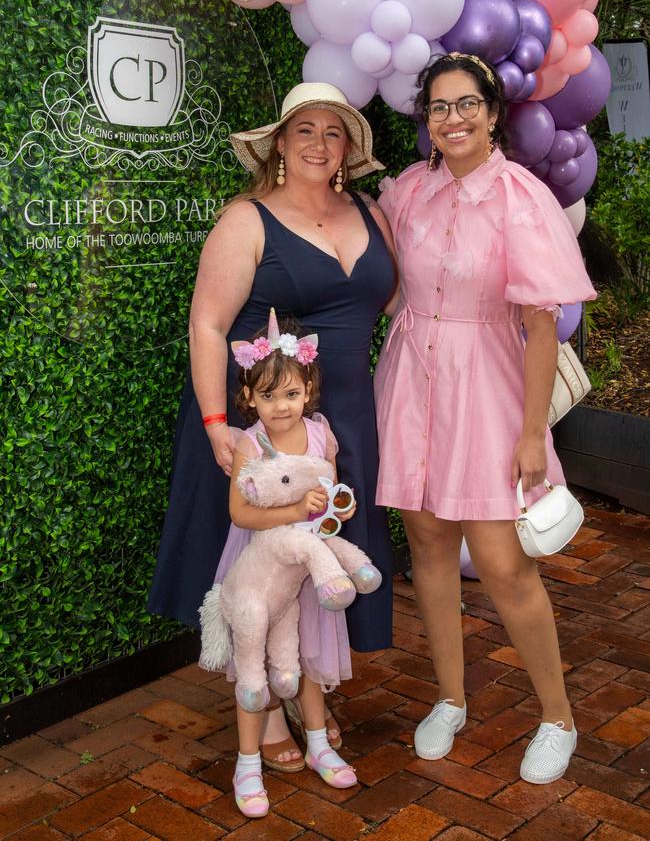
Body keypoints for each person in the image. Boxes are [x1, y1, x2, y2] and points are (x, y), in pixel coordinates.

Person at [148, 82, 397, 770]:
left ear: (349, 147)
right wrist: (216, 424)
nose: (320, 143)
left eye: (334, 132)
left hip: (345, 419)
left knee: (322, 554)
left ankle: (305, 689)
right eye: (305, 130)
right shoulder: (247, 218)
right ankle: (264, 703)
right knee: (264, 565)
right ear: (280, 144)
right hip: (270, 426)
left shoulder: (372, 212)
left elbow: (406, 305)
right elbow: (208, 324)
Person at [374, 52, 596, 785]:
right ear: (426, 121)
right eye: (439, 107)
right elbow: (383, 284)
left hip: (490, 390)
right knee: (430, 548)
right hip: (412, 382)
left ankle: (558, 716)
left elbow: (540, 325)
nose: (454, 119)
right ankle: (449, 696)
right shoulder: (407, 192)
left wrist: (534, 431)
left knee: (504, 565)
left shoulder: (519, 198)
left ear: (493, 112)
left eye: (467, 104)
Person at [214, 311, 361, 817]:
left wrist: (337, 508)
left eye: (292, 394)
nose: (282, 406)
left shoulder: (321, 434)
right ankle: (248, 763)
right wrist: (297, 510)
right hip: (261, 567)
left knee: (311, 658)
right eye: (269, 396)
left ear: (308, 390)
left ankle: (318, 743)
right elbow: (239, 511)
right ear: (249, 396)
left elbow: (332, 495)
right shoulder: (250, 444)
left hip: (311, 566)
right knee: (255, 662)